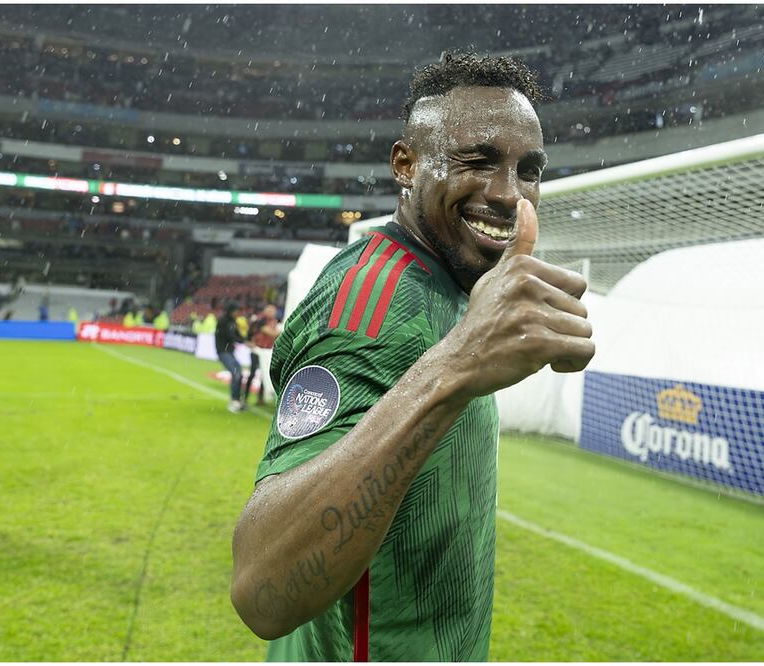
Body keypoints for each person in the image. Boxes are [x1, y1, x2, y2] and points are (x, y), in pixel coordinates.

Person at [230, 52, 594, 661]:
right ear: (406, 163)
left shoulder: (455, 286)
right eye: (476, 160)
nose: (507, 194)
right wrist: (455, 366)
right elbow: (262, 591)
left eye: (527, 170)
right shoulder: (369, 305)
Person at [244, 304, 280, 407]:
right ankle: (245, 398)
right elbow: (270, 333)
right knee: (253, 372)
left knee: (265, 373)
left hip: (268, 351)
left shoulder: (274, 321)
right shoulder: (260, 321)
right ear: (265, 311)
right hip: (257, 349)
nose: (271, 313)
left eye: (273, 311)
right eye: (269, 310)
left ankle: (260, 398)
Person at [216, 302, 248, 413]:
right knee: (236, 373)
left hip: (228, 351)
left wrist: (246, 340)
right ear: (231, 311)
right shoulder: (224, 321)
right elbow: (231, 336)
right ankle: (234, 401)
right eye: (237, 311)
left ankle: (237, 400)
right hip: (223, 351)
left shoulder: (232, 321)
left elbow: (237, 335)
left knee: (239, 373)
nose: (238, 313)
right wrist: (244, 341)